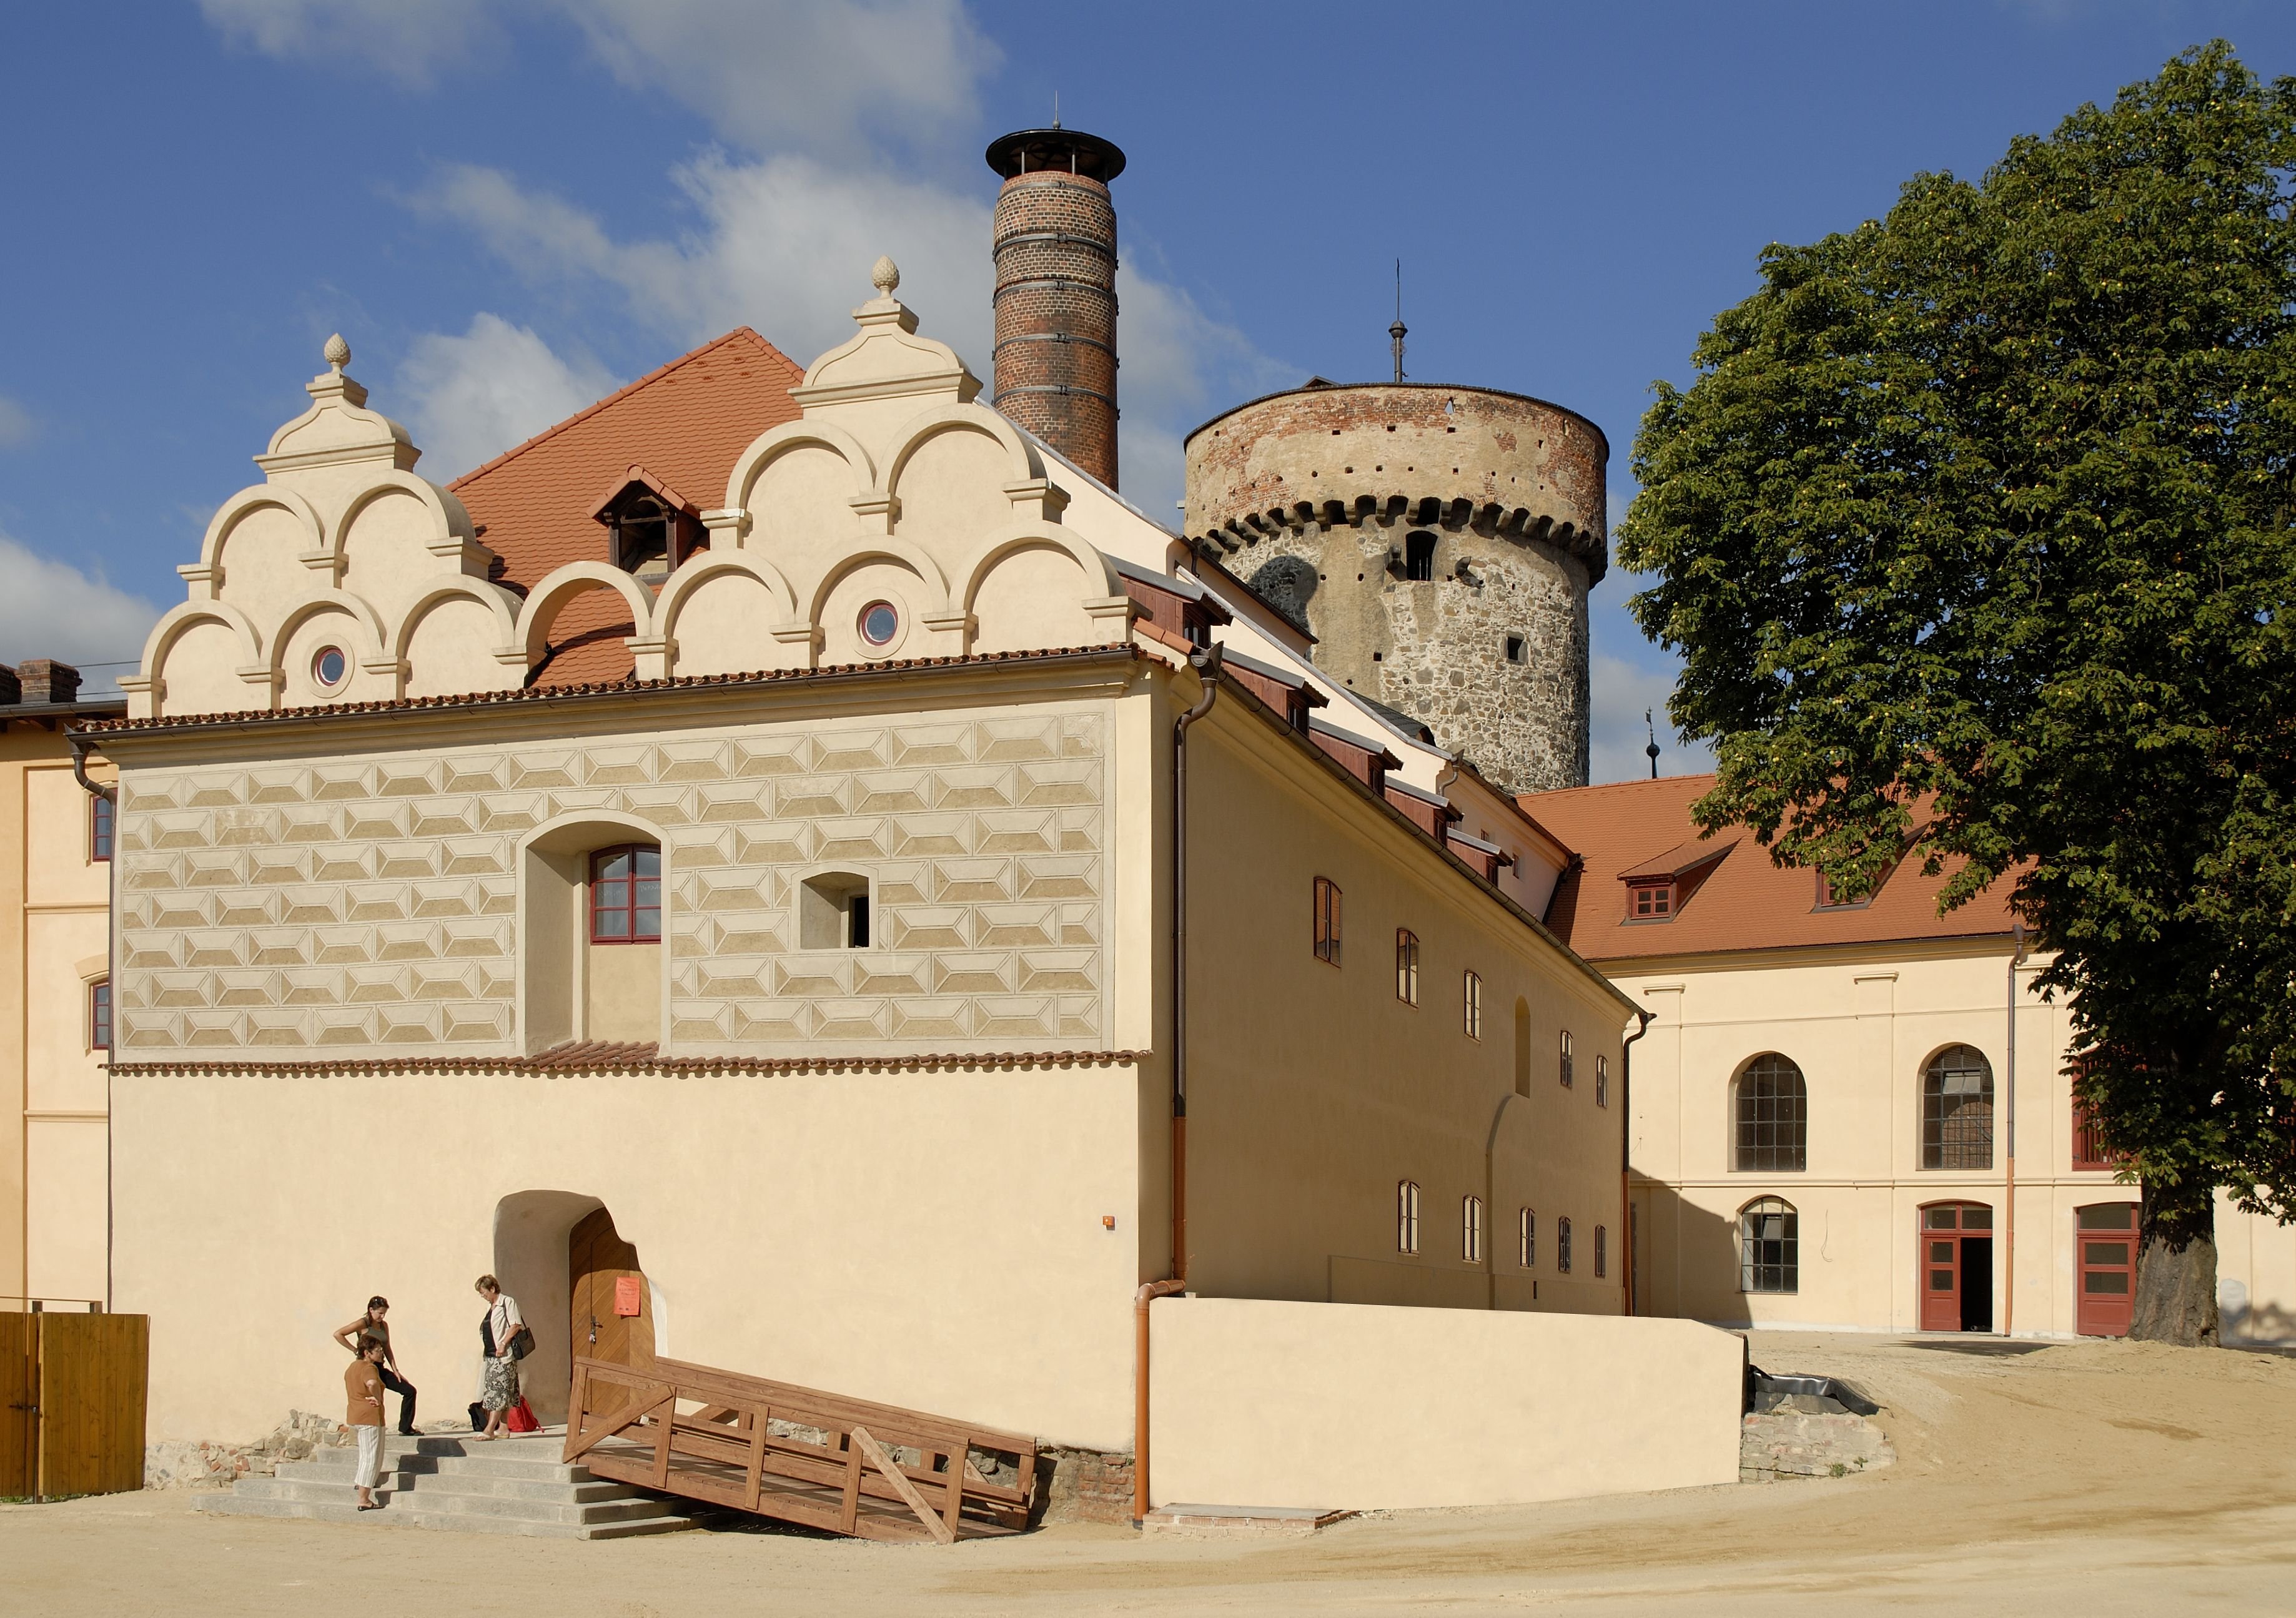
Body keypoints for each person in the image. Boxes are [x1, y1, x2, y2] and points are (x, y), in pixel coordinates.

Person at [332, 1296, 417, 1436]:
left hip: (380, 1367)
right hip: (367, 1367)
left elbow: (387, 1347)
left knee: (409, 1391)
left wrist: (396, 1370)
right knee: (372, 1398)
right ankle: (370, 1428)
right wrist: (355, 1350)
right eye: (380, 1313)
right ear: (371, 1310)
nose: (382, 1316)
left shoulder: (384, 1326)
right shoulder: (362, 1324)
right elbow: (338, 1334)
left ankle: (405, 1428)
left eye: (384, 1313)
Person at [473, 1275, 525, 1440]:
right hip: (491, 1356)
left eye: (483, 1292)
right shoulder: (493, 1307)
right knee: (502, 1393)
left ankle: (489, 1430)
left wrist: (503, 1344)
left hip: (503, 1356)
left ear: (492, 1289)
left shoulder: (507, 1302)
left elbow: (515, 1325)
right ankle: (503, 1428)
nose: (482, 1296)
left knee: (498, 1393)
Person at [345, 1338, 387, 1509]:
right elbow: (371, 1383)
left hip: (356, 1414)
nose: (381, 1352)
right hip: (369, 1417)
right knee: (370, 1457)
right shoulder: (369, 1368)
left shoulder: (351, 1368)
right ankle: (364, 1499)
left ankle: (363, 1483)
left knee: (367, 1455)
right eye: (377, 1350)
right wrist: (377, 1398)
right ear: (367, 1353)